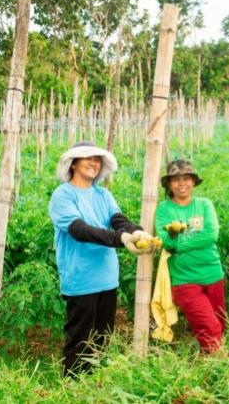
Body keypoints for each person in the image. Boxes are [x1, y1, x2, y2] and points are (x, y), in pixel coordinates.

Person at [49, 141, 154, 378]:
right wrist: (121, 238)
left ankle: (94, 385)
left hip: (107, 278)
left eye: (97, 159)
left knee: (102, 338)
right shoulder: (62, 195)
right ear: (73, 163)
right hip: (81, 278)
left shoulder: (102, 194)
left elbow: (118, 219)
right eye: (88, 158)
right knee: (79, 339)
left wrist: (135, 231)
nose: (94, 163)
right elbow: (80, 230)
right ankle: (73, 387)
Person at [155, 160, 225, 353]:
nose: (182, 183)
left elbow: (212, 235)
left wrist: (180, 244)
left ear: (193, 182)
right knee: (211, 328)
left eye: (186, 178)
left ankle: (208, 366)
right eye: (176, 180)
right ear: (169, 184)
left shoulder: (204, 204)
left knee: (218, 325)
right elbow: (166, 242)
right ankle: (221, 368)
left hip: (213, 274)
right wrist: (180, 242)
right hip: (184, 280)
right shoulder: (164, 209)